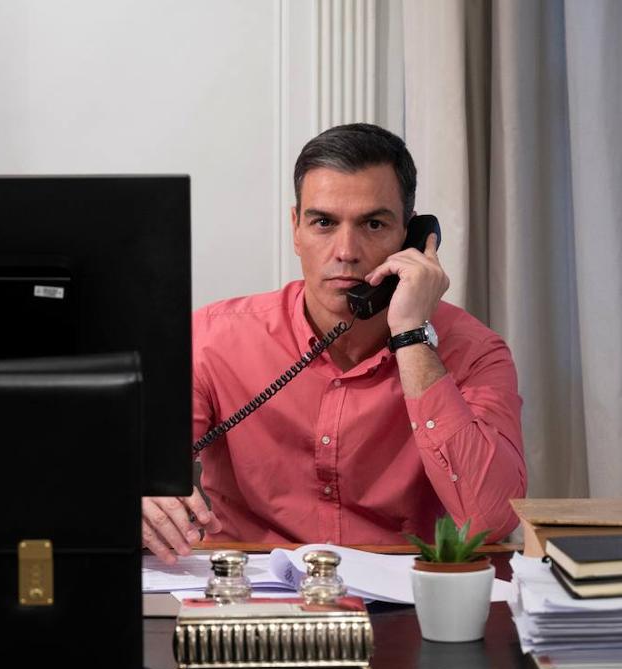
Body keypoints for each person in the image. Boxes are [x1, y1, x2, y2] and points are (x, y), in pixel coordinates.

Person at [143, 123, 526, 563]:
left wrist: (411, 335)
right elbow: (129, 473)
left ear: (412, 237)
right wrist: (138, 495)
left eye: (373, 224)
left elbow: (492, 518)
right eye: (323, 222)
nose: (346, 251)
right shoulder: (213, 339)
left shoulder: (474, 352)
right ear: (296, 229)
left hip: (404, 592)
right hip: (249, 586)